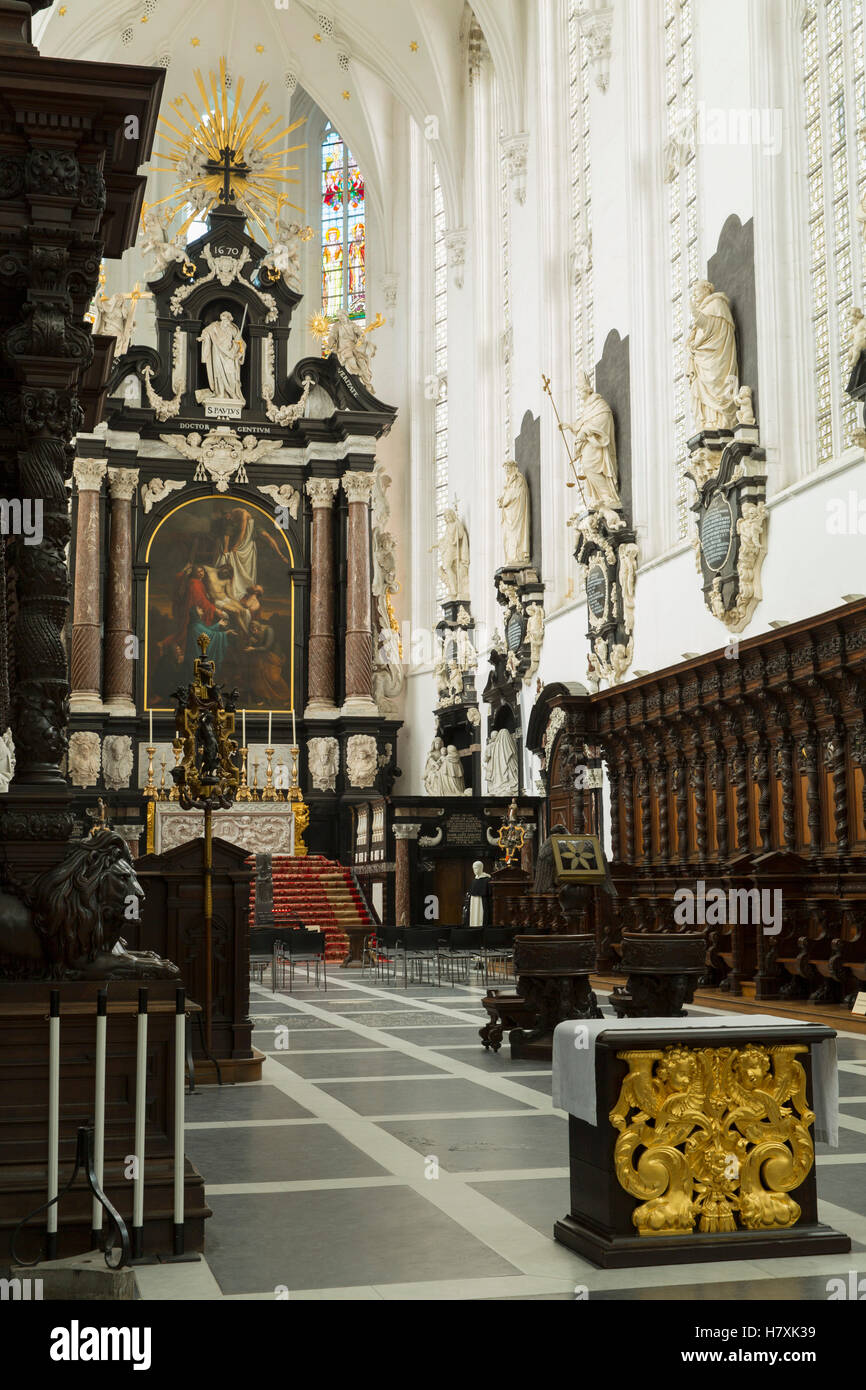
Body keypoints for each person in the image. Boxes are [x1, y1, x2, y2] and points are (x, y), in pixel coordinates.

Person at [463, 860, 492, 927]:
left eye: (476, 868)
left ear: (481, 868)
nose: (474, 870)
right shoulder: (474, 880)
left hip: (481, 903)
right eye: (473, 868)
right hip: (473, 902)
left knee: (480, 915)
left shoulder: (487, 880)